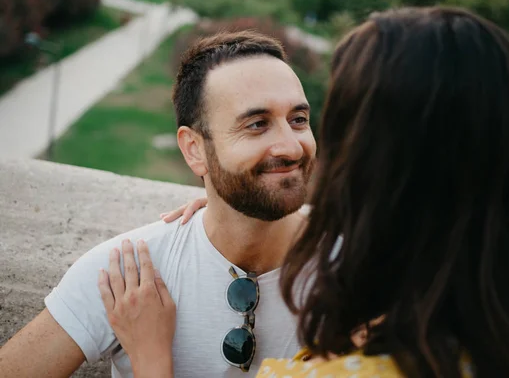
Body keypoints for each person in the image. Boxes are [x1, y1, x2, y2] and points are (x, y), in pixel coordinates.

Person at [98, 6, 509, 378]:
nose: (295, 144)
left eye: (306, 119)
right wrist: (232, 200)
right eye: (256, 124)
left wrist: (152, 360)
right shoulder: (497, 333)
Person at [0, 31, 316, 377]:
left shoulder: (355, 266)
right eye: (257, 125)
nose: (291, 147)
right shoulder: (128, 277)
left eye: (298, 119)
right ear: (194, 149)